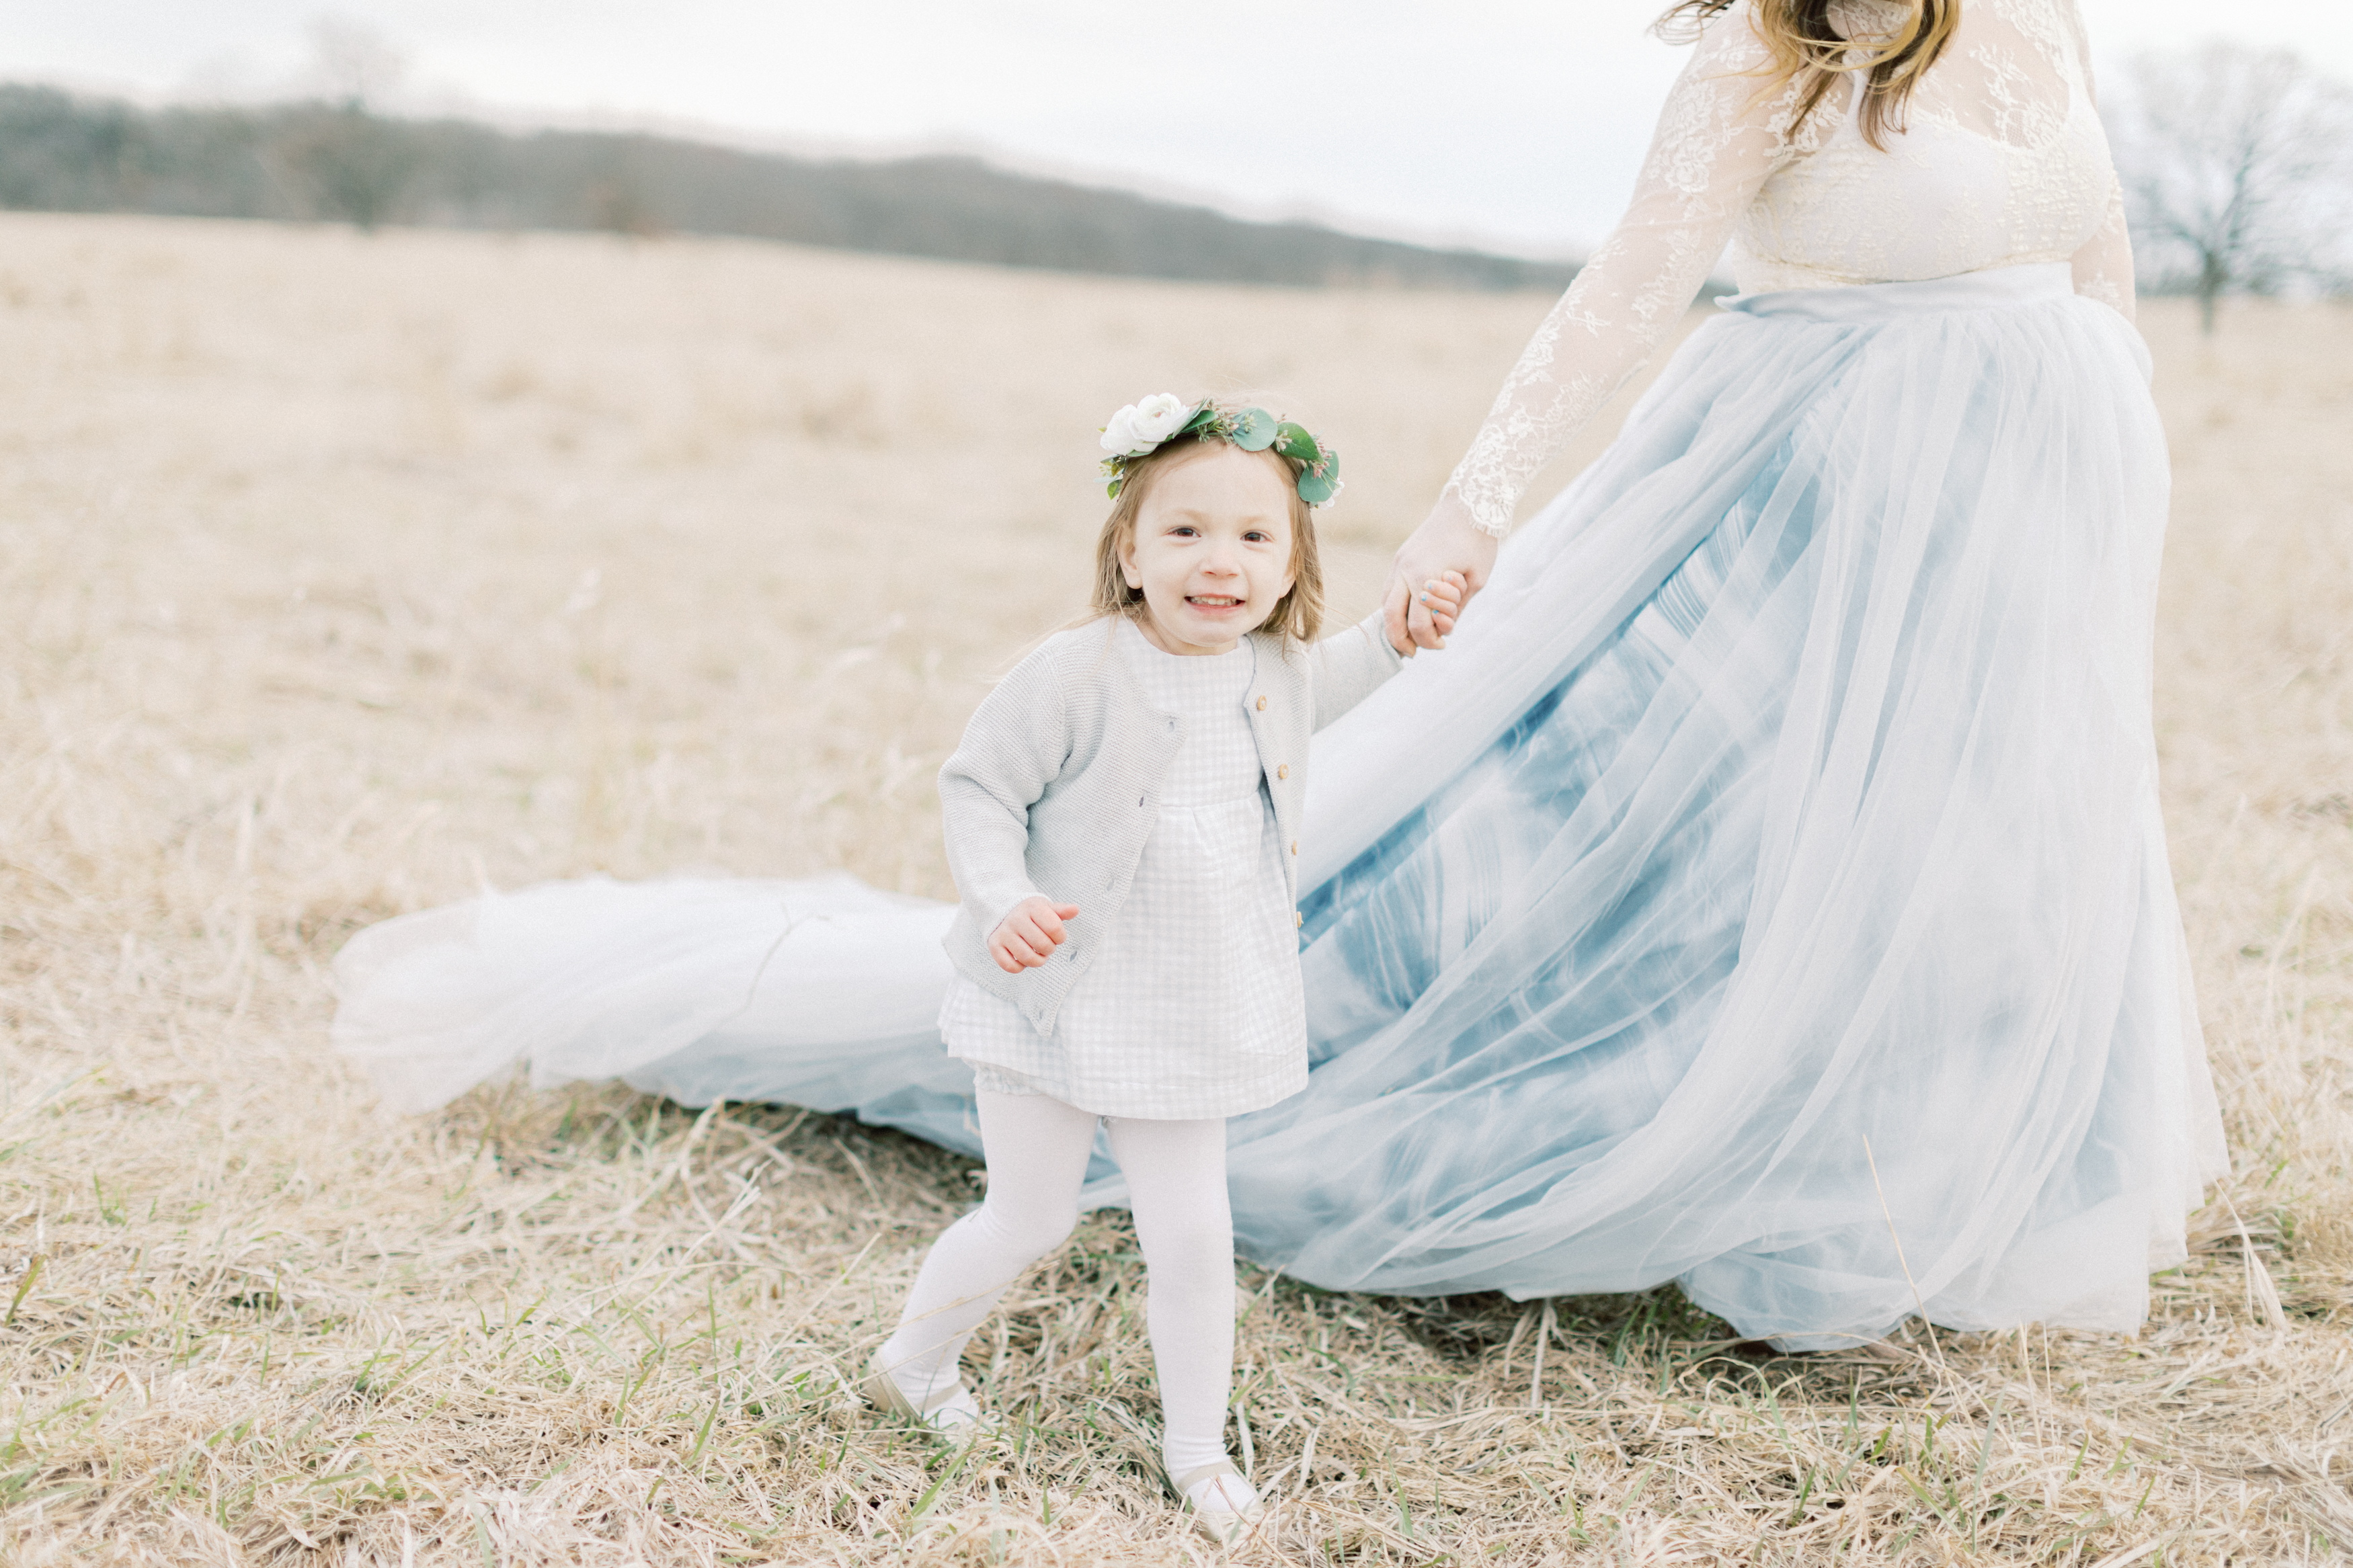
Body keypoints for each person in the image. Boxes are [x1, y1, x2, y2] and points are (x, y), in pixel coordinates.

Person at [335, 0, 2223, 1378]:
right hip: (1794, 501)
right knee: (1685, 842)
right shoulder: (1763, 56)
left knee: (1969, 846)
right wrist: (1474, 508)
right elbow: (1624, 297)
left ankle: (1923, 1165)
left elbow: (2093, 250)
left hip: (2017, 521)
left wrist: (2116, 452)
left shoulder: (2039, 12)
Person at [861, 397, 1461, 1544]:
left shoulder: (1277, 672)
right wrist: (1004, 898)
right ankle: (915, 1361)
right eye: (1184, 532)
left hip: (1187, 1006)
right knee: (1028, 1216)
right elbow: (979, 787)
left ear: (1290, 567)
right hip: (1056, 997)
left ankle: (1196, 1447)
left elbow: (1362, 662)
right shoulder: (1077, 671)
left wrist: (1405, 625)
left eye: (1253, 537)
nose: (1219, 561)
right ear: (1129, 552)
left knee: (1191, 1235)